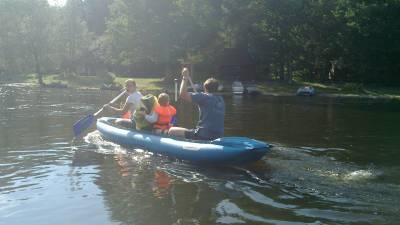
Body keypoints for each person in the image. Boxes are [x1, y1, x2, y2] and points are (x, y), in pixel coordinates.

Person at [168, 68, 225, 140]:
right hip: (218, 136)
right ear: (217, 88)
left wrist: (185, 77)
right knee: (193, 130)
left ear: (205, 89)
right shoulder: (221, 99)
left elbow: (182, 94)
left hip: (204, 135)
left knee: (171, 131)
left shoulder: (204, 97)